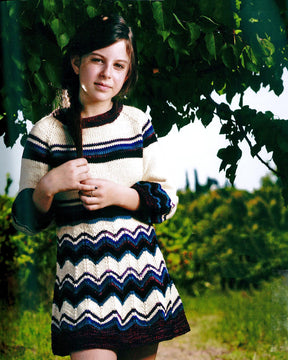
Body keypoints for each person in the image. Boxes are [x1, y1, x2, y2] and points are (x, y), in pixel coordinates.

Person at [12, 14, 190, 360]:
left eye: (119, 65)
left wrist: (122, 195)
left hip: (140, 282)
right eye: (97, 60)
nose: (108, 73)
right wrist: (47, 187)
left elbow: (167, 201)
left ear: (127, 73)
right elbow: (24, 220)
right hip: (83, 290)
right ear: (77, 62)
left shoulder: (137, 123)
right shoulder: (46, 132)